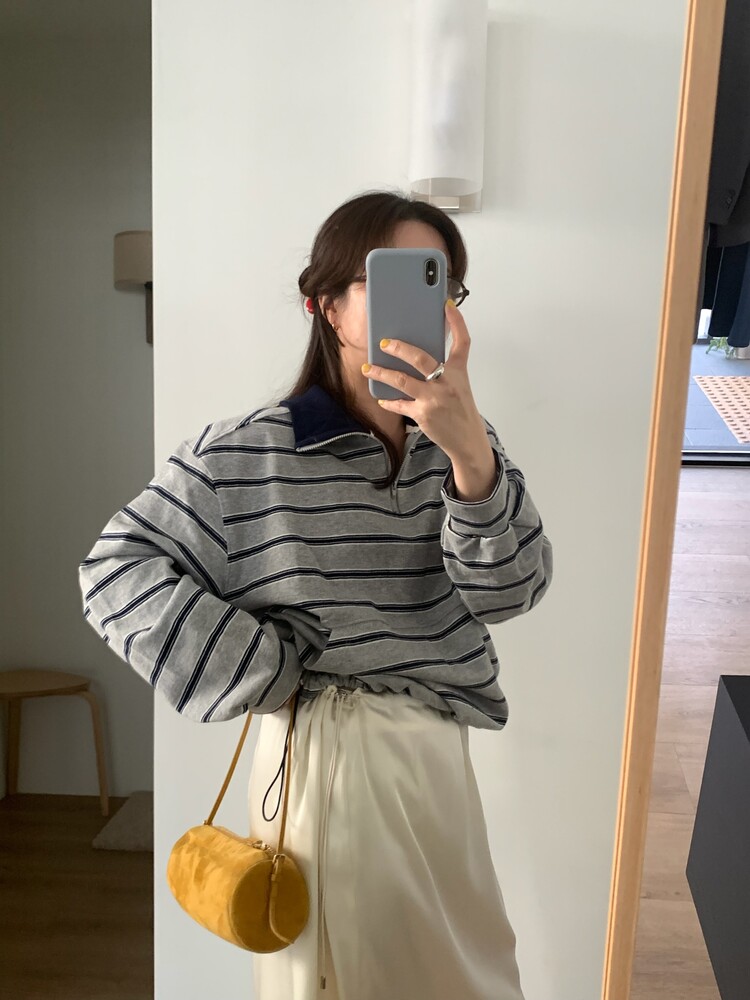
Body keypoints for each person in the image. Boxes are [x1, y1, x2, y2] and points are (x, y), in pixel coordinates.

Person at [78, 189, 553, 999]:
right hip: (334, 762)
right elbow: (115, 570)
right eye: (395, 276)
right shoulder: (251, 451)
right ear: (328, 305)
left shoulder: (464, 441)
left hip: (440, 760)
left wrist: (472, 459)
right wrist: (261, 669)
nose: (427, 301)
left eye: (440, 281)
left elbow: (511, 592)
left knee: (470, 975)